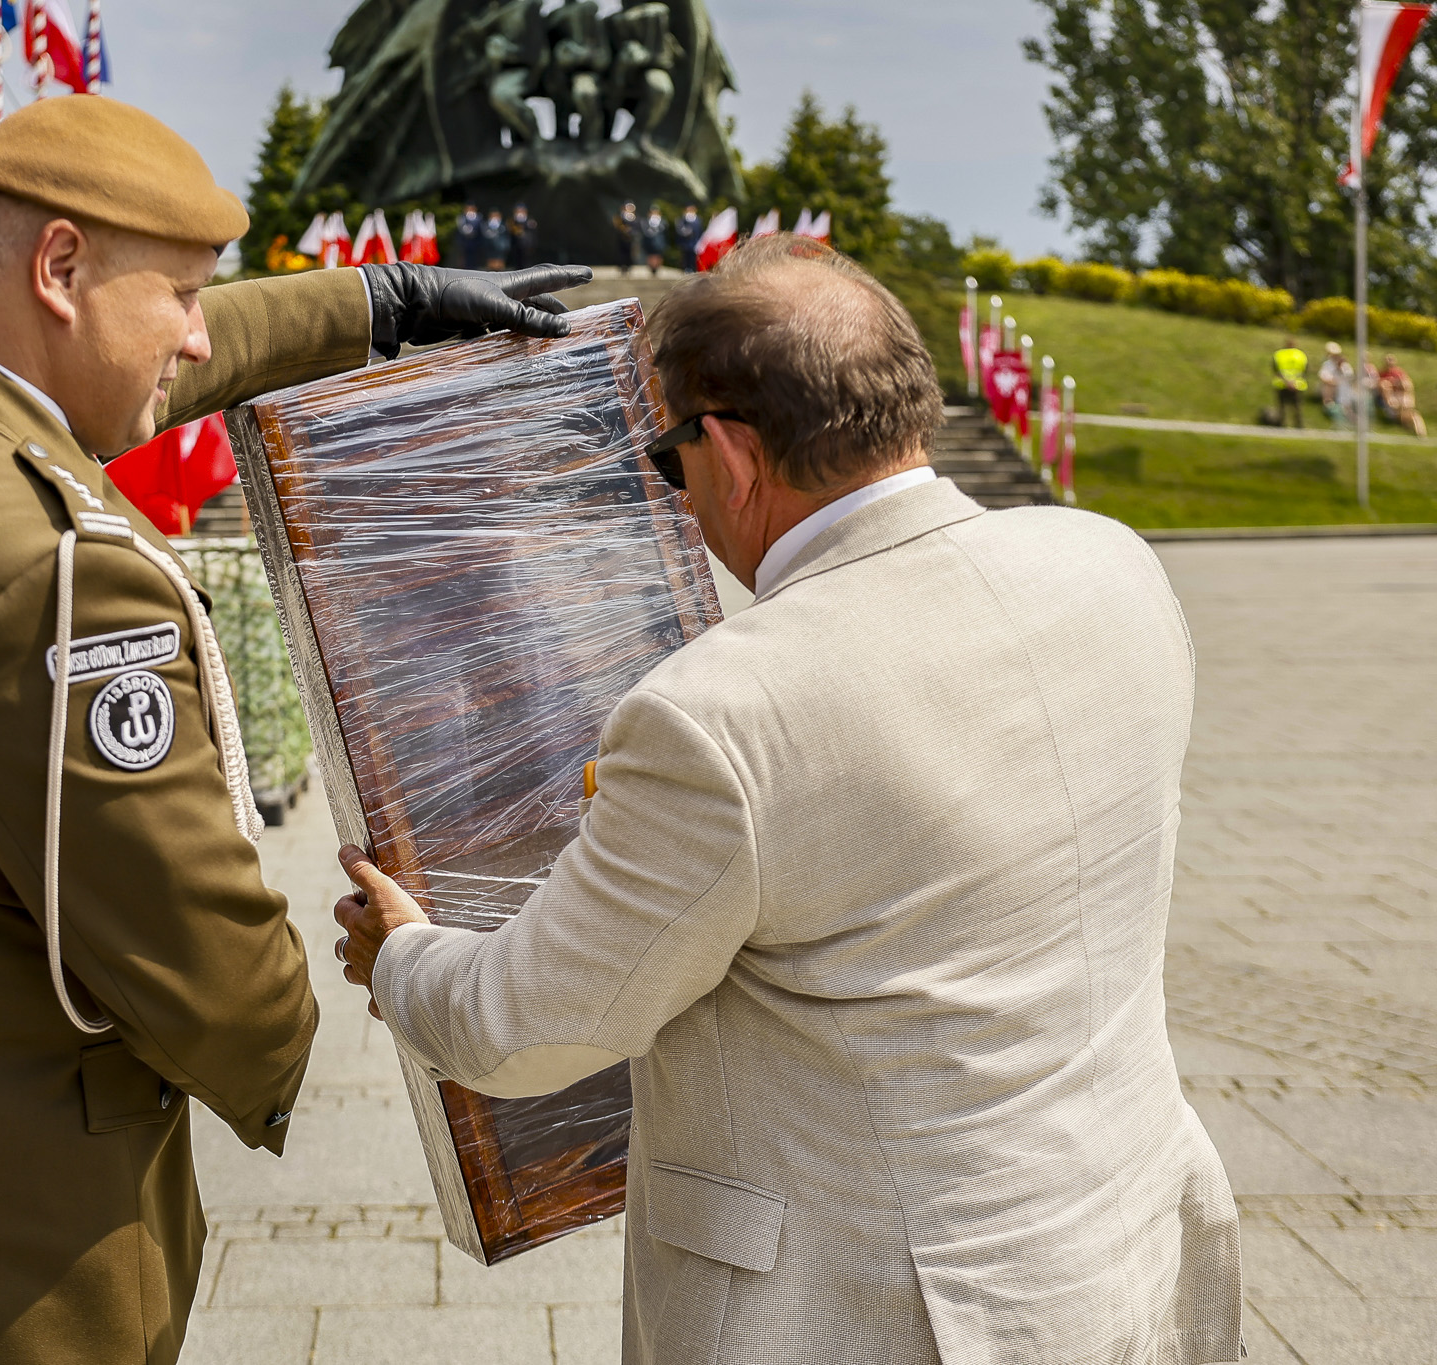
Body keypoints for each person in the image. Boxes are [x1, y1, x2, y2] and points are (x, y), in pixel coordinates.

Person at [0, 94, 587, 1365]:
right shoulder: (53, 576)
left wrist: (377, 304)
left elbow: (115, 348)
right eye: (185, 295)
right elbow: (193, 943)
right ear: (59, 266)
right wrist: (362, 1003)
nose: (200, 339)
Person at [332, 235, 1242, 1365]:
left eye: (669, 462)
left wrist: (402, 954)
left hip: (878, 1312)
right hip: (1125, 1249)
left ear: (728, 449)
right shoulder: (1112, 566)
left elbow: (526, 1028)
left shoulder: (718, 712)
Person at [1378, 353, 1425, 437]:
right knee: (1411, 415)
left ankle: (1420, 434)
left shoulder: (1400, 373)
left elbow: (1407, 386)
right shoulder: (1382, 374)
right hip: (1392, 401)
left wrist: (1396, 383)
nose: (1389, 362)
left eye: (1391, 359)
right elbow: (1382, 386)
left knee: (1414, 416)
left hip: (1402, 401)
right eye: (1388, 360)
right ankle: (1416, 432)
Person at [1272, 335, 1308, 428]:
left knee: (1283, 407)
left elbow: (1276, 369)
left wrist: (1287, 381)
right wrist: (1293, 382)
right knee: (1296, 408)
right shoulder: (1301, 355)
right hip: (1297, 385)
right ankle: (1299, 427)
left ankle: (1281, 426)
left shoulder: (1279, 354)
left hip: (1282, 384)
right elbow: (1304, 371)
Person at [1317, 341, 1352, 428]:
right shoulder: (1327, 364)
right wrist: (1334, 382)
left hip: (1343, 388)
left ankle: (1347, 410)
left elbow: (1350, 377)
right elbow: (1323, 377)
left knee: (1345, 387)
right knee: (1329, 387)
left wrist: (1340, 369)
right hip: (1331, 386)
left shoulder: (1345, 365)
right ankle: (1329, 406)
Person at [507, 202, 538, 269]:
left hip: (527, 248)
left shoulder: (530, 221)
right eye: (518, 211)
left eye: (521, 210)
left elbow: (533, 235)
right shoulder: (512, 221)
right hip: (516, 248)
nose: (519, 213)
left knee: (527, 266)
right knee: (517, 266)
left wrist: (532, 246)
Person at [640, 204, 668, 275]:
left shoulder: (663, 222)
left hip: (659, 243)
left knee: (658, 256)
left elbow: (664, 230)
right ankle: (651, 268)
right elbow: (645, 231)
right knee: (650, 256)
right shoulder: (645, 221)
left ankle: (657, 268)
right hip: (649, 242)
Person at [675, 202, 703, 271]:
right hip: (685, 243)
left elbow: (700, 231)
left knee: (693, 257)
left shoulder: (698, 220)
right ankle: (686, 268)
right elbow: (679, 229)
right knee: (685, 257)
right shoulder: (682, 219)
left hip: (695, 242)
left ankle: (693, 268)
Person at [614, 200, 639, 271]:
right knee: (621, 253)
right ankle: (622, 266)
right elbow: (617, 225)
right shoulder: (620, 216)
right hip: (622, 238)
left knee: (631, 254)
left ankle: (629, 266)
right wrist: (623, 230)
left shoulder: (635, 217)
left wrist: (631, 231)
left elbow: (637, 227)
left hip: (631, 238)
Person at [454, 202, 481, 268]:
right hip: (464, 242)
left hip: (475, 242)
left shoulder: (479, 218)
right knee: (463, 259)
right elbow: (461, 228)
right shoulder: (461, 217)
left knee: (474, 259)